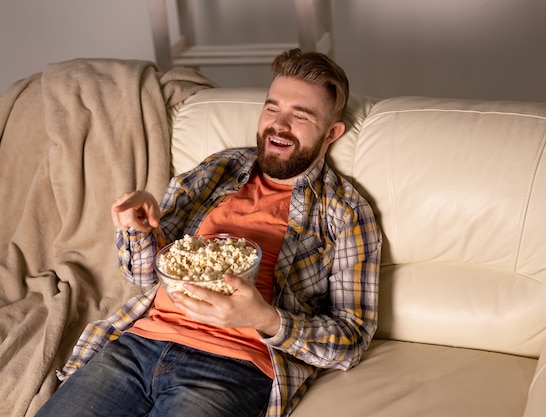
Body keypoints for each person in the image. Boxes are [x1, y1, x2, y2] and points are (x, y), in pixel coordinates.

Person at [36, 48, 382, 417]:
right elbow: (143, 274)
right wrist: (137, 229)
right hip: (138, 345)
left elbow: (351, 340)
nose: (279, 125)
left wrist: (265, 318)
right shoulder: (219, 169)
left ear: (332, 133)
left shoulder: (345, 212)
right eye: (272, 108)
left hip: (232, 367)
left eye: (300, 116)